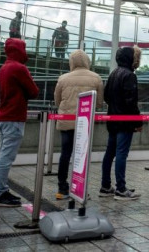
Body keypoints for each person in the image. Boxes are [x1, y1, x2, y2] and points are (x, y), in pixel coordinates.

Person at [0, 38, 39, 207]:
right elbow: (34, 91)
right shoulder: (19, 68)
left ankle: (1, 190)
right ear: (20, 50)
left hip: (4, 116)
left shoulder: (4, 67)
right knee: (6, 157)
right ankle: (0, 193)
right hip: (14, 117)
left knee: (2, 155)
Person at [53, 49, 103, 200]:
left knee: (65, 154)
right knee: (82, 156)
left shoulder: (63, 78)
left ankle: (62, 188)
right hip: (85, 123)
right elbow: (99, 104)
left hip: (66, 122)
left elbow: (57, 101)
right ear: (87, 61)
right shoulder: (96, 78)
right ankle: (80, 189)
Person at [100, 46, 142, 201]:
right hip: (125, 122)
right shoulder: (129, 75)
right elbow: (131, 101)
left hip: (112, 120)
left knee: (109, 153)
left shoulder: (113, 73)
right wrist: (138, 120)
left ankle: (105, 186)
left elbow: (106, 96)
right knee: (121, 154)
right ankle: (121, 189)